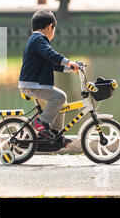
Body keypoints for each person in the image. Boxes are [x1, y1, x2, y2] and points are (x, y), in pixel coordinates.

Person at [18, 10, 79, 145]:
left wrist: (70, 69)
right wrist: (68, 61)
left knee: (61, 99)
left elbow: (52, 64)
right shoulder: (38, 39)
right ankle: (41, 122)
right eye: (54, 29)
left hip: (33, 84)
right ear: (50, 26)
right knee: (60, 97)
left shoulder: (36, 40)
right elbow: (50, 54)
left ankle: (55, 134)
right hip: (31, 84)